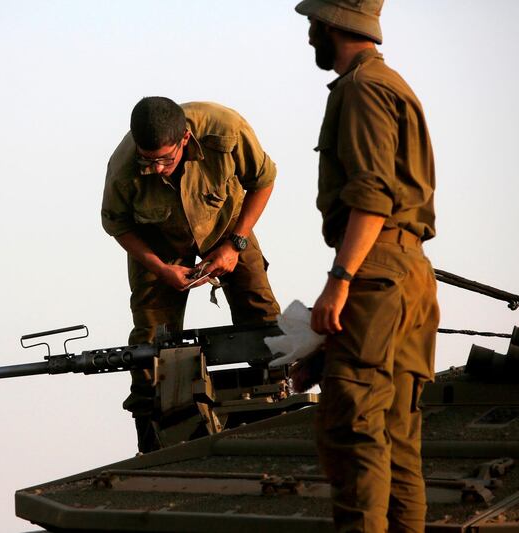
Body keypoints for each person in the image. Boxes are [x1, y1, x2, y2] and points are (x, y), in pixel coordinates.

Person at [294, 1, 440, 531]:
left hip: (376, 269)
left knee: (353, 430)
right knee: (397, 437)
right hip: (410, 273)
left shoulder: (361, 90)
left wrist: (340, 280)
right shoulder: (392, 83)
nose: (309, 35)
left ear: (332, 26)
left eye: (313, 25)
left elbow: (372, 195)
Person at [101, 97, 281, 452]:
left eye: (165, 159)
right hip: (156, 240)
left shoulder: (226, 131)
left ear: (185, 139)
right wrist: (162, 269)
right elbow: (116, 226)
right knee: (149, 339)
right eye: (148, 160)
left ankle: (276, 406)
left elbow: (264, 180)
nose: (158, 169)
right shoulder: (123, 168)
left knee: (261, 311)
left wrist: (235, 245)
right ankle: (152, 438)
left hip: (225, 223)